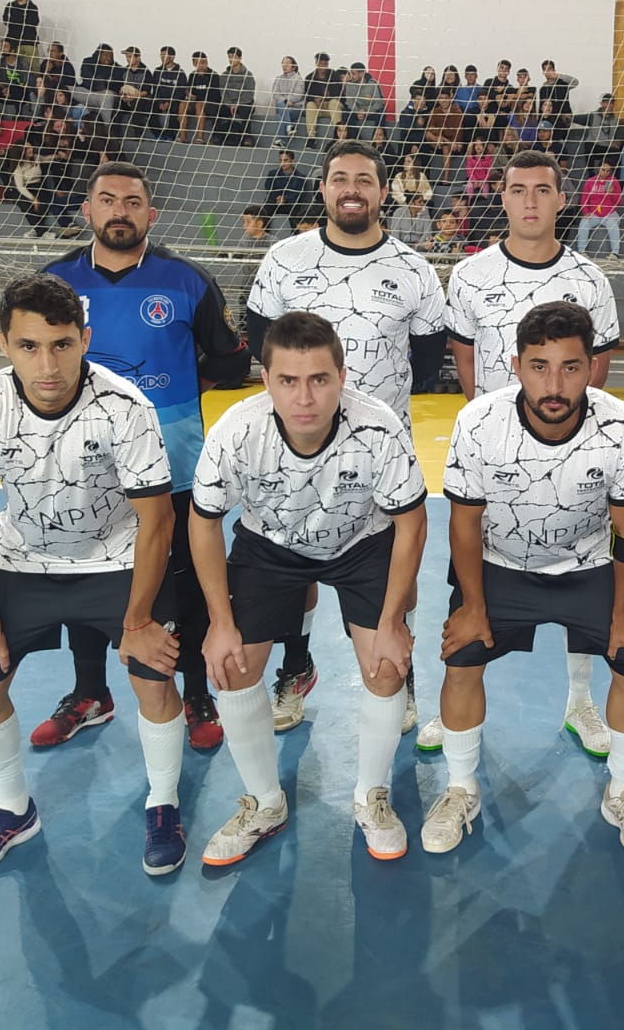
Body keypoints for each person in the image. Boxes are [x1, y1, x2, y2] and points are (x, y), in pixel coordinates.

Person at [0, 273, 187, 877]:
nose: (47, 364)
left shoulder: (126, 406)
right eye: (28, 346)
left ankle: (163, 802)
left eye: (62, 344)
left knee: (153, 675)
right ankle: (12, 809)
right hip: (23, 563)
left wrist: (137, 621)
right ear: (3, 343)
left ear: (84, 338)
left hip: (118, 560)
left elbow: (158, 519)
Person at [189, 311, 428, 864]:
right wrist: (220, 623)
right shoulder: (237, 431)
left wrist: (393, 622)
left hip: (360, 543)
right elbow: (204, 521)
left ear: (342, 377)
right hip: (269, 545)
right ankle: (264, 802)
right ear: (266, 379)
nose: (304, 397)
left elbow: (412, 522)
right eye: (288, 381)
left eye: (319, 379)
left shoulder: (378, 426)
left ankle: (372, 796)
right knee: (231, 665)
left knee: (386, 667)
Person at [423, 300, 624, 856]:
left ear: (591, 368)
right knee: (461, 657)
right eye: (539, 366)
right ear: (515, 365)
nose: (554, 383)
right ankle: (460, 789)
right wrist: (473, 604)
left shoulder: (623, 427)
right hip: (502, 566)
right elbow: (464, 523)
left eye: (570, 367)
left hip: (592, 567)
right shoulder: (478, 422)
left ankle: (623, 792)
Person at [36, 162, 251, 752]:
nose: (120, 211)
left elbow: (232, 363)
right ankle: (90, 693)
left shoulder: (186, 280)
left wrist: (180, 387)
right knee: (88, 572)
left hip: (173, 463)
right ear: (88, 211)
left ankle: (196, 692)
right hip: (82, 468)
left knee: (185, 575)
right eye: (107, 200)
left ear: (151, 214)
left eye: (133, 202)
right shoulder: (55, 282)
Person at [246, 141, 446, 733]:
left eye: (364, 178)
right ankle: (296, 665)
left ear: (385, 192)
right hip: (293, 445)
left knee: (393, 574)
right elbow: (261, 344)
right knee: (294, 563)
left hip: (382, 455)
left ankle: (399, 676)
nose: (351, 188)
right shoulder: (285, 260)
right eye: (339, 178)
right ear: (324, 189)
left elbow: (429, 358)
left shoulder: (413, 269)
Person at [430, 149, 623, 754]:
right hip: (495, 462)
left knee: (583, 564)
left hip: (572, 454)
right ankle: (458, 699)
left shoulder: (590, 278)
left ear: (563, 199)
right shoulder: (470, 274)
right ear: (504, 197)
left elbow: (600, 367)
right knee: (473, 574)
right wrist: (490, 427)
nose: (532, 201)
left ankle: (581, 703)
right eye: (519, 190)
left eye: (544, 190)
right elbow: (464, 355)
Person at [578, 158, 624, 258]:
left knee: (613, 224)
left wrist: (613, 193)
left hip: (609, 212)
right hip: (594, 213)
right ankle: (581, 251)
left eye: (608, 171)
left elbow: (619, 202)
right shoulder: (590, 181)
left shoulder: (613, 181)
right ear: (598, 169)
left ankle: (615, 253)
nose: (605, 173)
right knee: (584, 223)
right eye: (603, 170)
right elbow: (584, 199)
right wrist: (586, 212)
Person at [261, 150, 314, 231]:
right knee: (265, 209)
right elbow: (269, 188)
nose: (282, 163)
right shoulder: (272, 173)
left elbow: (297, 194)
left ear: (292, 161)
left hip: (291, 204)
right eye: (280, 160)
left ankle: (296, 234)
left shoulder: (300, 177)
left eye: (285, 160)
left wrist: (285, 199)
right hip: (275, 202)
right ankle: (263, 234)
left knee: (297, 211)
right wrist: (278, 198)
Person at [216, 48, 257, 146]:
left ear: (240, 58)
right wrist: (230, 104)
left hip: (244, 103)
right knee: (216, 110)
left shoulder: (248, 75)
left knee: (245, 111)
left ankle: (247, 138)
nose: (231, 60)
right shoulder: (224, 75)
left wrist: (238, 104)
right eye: (229, 57)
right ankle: (217, 136)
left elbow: (249, 93)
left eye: (234, 57)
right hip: (228, 104)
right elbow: (223, 92)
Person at [302, 52, 343, 147]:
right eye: (321, 64)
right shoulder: (310, 78)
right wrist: (314, 98)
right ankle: (311, 138)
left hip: (332, 106)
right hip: (319, 107)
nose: (323, 67)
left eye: (325, 64)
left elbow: (340, 93)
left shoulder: (334, 75)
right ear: (316, 63)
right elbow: (306, 95)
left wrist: (327, 97)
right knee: (310, 105)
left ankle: (338, 135)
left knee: (334, 103)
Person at [1, 0, 40, 76]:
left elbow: (33, 22)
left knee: (33, 71)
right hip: (14, 44)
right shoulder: (10, 6)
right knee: (16, 72)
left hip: (29, 42)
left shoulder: (32, 7)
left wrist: (16, 20)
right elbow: (6, 21)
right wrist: (22, 19)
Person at [270, 56, 304, 146]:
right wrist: (285, 101)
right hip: (282, 106)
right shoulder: (278, 79)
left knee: (281, 115)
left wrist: (287, 101)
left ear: (293, 66)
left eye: (287, 63)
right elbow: (275, 94)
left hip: (295, 107)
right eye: (283, 63)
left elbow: (298, 95)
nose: (284, 66)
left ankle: (281, 141)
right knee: (281, 104)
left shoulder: (298, 79)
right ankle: (289, 125)